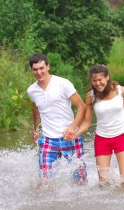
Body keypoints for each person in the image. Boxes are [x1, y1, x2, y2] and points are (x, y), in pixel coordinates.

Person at [26, 52, 87, 189]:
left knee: (80, 180)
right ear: (32, 70)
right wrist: (35, 129)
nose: (39, 72)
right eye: (35, 69)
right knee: (44, 182)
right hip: (48, 139)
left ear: (48, 66)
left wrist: (73, 127)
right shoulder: (32, 90)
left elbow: (81, 106)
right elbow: (35, 108)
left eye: (42, 68)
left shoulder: (63, 83)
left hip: (70, 137)